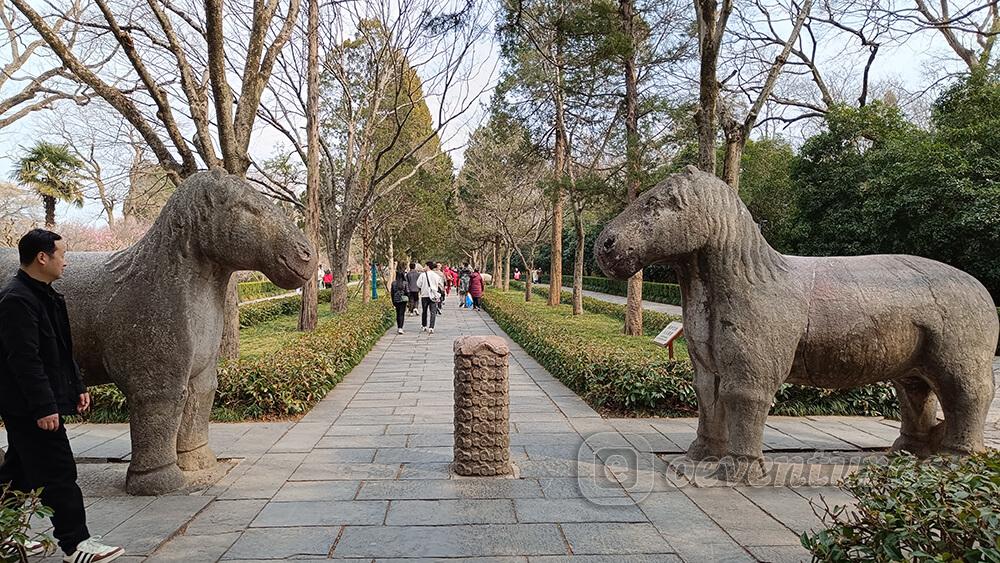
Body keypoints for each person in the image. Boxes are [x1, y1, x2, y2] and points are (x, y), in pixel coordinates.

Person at [0, 229, 125, 563]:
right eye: (61, 254)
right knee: (58, 472)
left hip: (42, 402)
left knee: (18, 473)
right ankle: (75, 544)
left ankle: (2, 535)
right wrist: (44, 407)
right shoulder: (16, 300)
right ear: (43, 257)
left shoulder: (47, 295)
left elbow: (61, 350)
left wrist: (78, 387)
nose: (65, 262)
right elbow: (24, 361)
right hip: (28, 407)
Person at [416, 260, 444, 334]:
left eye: (425, 266)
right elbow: (440, 284)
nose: (424, 267)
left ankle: (424, 325)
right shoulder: (436, 275)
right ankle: (431, 327)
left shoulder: (422, 275)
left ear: (428, 266)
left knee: (424, 311)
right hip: (433, 296)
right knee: (433, 312)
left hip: (424, 295)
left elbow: (418, 284)